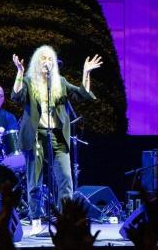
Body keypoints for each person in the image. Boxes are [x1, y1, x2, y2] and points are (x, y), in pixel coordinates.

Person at [11, 45, 101, 235]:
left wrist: (86, 73)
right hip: (35, 135)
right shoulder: (28, 81)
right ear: (37, 62)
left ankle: (65, 221)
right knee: (34, 181)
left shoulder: (60, 81)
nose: (47, 62)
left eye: (50, 59)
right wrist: (19, 72)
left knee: (66, 179)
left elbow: (83, 94)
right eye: (43, 58)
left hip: (58, 135)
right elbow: (16, 96)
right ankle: (35, 221)